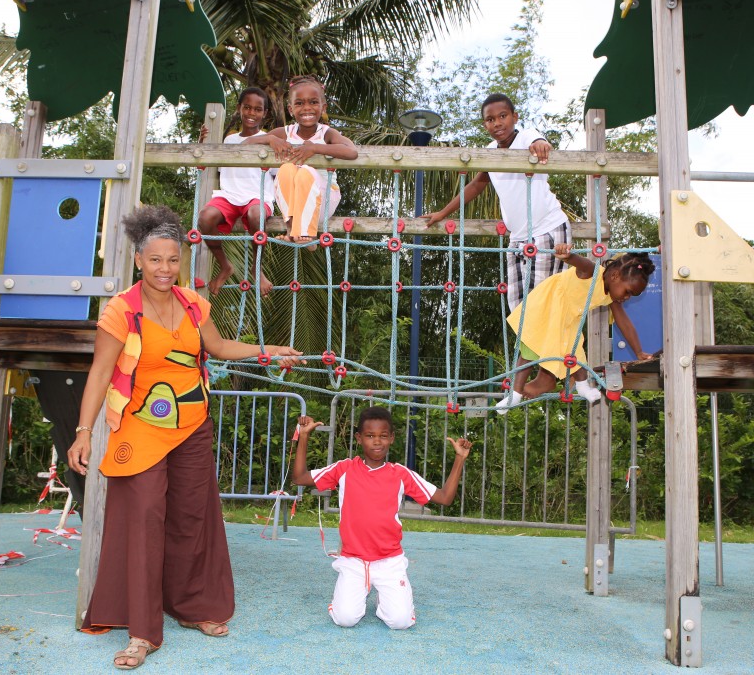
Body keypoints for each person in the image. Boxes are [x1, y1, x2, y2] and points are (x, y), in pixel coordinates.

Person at [66, 205, 303, 670]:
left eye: (172, 260)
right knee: (144, 520)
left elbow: (216, 348)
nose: (164, 269)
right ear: (139, 261)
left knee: (193, 518)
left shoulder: (194, 303)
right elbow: (98, 375)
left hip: (192, 427)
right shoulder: (122, 310)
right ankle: (141, 630)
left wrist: (267, 351)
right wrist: (82, 432)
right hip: (138, 428)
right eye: (155, 260)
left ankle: (194, 608)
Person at [291, 408, 471, 630]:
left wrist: (459, 459)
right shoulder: (344, 469)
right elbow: (299, 477)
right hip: (353, 560)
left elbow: (444, 498)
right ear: (359, 438)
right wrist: (305, 435)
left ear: (392, 438)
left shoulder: (401, 474)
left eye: (383, 436)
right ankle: (355, 593)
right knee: (346, 619)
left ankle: (383, 599)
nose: (377, 442)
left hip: (389, 561)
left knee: (401, 622)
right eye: (369, 436)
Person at [422, 93, 571, 312]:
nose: (497, 123)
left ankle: (553, 348)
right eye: (490, 119)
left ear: (515, 117)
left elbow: (538, 141)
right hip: (518, 239)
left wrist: (540, 144)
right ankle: (526, 348)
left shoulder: (525, 138)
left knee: (542, 307)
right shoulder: (491, 153)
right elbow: (475, 186)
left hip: (547, 229)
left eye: (503, 116)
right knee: (518, 309)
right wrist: (442, 213)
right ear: (485, 124)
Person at [499, 243, 655, 412]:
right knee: (531, 344)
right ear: (615, 276)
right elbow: (581, 263)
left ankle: (582, 386)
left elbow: (624, 322)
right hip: (549, 305)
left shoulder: (611, 297)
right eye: (628, 292)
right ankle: (514, 393)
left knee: (575, 351)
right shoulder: (593, 273)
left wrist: (639, 351)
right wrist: (567, 255)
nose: (627, 297)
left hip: (568, 317)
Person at [247, 75, 358, 244]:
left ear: (323, 107)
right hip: (295, 207)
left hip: (323, 201)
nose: (307, 108)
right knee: (286, 169)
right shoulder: (285, 132)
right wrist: (270, 139)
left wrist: (314, 148)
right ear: (291, 109)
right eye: (299, 103)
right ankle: (293, 229)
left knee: (305, 171)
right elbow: (247, 142)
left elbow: (352, 152)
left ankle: (308, 234)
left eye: (313, 102)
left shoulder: (326, 133)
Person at [198, 87, 277, 297]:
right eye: (247, 107)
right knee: (205, 218)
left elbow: (280, 173)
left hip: (257, 196)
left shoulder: (270, 140)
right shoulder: (230, 140)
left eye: (258, 109)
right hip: (230, 195)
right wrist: (202, 145)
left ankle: (256, 268)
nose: (252, 113)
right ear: (239, 108)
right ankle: (225, 265)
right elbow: (219, 167)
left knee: (255, 215)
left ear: (265, 113)